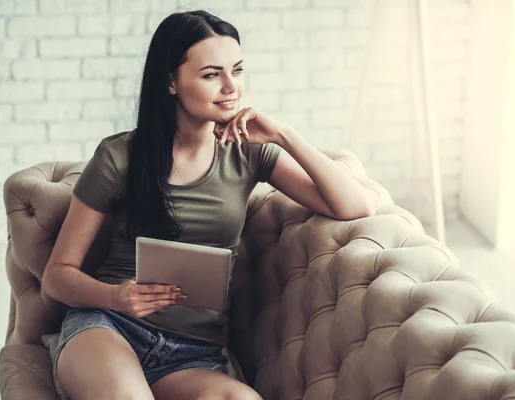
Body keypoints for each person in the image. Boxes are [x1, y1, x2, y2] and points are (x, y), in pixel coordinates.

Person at [41, 9, 376, 400]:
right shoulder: (121, 157)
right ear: (171, 82)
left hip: (192, 354)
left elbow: (356, 206)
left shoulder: (249, 152)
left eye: (237, 70)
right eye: (212, 74)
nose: (231, 87)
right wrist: (117, 298)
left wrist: (284, 134)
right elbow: (57, 275)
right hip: (109, 326)